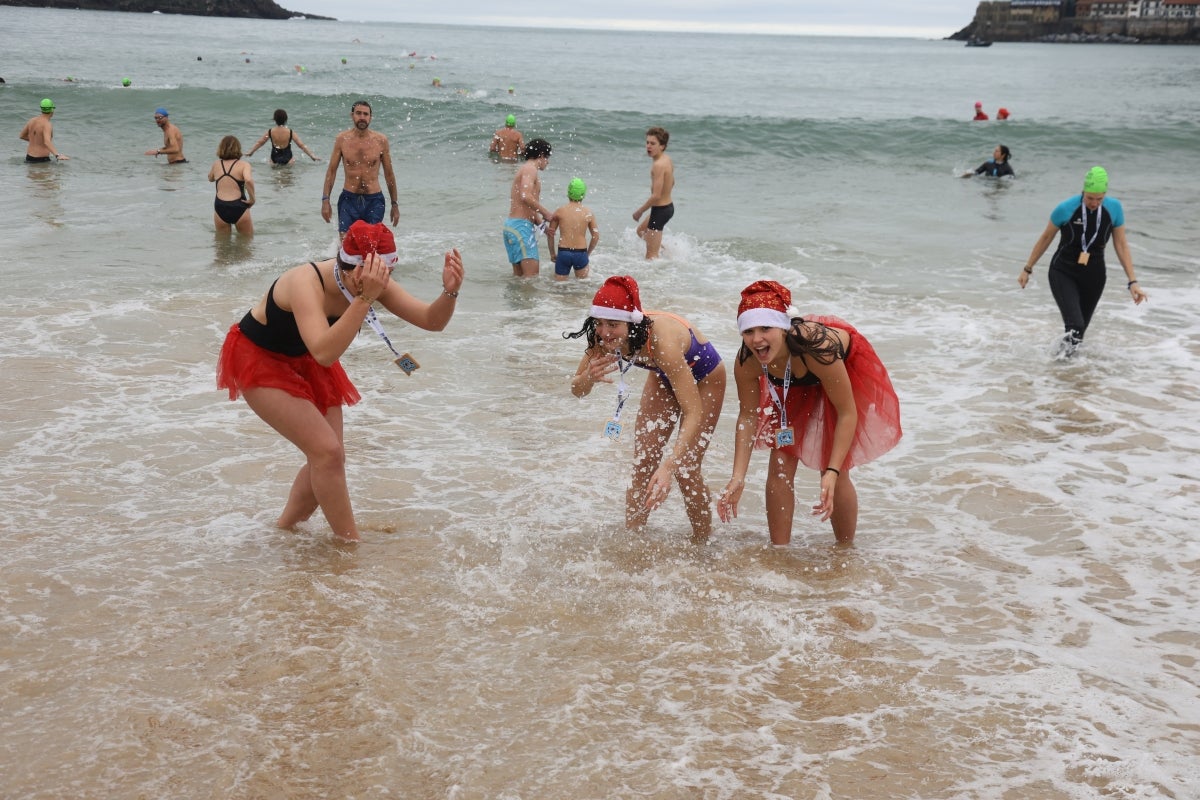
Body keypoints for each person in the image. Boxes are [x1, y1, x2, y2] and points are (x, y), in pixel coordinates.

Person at [216, 221, 465, 543]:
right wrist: (364, 300)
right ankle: (349, 543)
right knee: (327, 453)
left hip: (306, 359)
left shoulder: (373, 281)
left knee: (328, 456)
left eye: (383, 276)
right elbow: (324, 353)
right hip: (260, 358)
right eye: (370, 277)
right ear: (347, 269)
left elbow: (432, 321)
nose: (379, 283)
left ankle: (285, 530)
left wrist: (450, 291)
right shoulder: (306, 282)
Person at [717, 281, 902, 546]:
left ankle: (844, 552)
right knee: (780, 462)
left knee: (837, 469)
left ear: (782, 327)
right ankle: (779, 553)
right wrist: (738, 477)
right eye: (748, 331)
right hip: (793, 382)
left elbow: (847, 413)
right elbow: (747, 416)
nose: (756, 339)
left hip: (840, 369)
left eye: (765, 328)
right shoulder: (747, 361)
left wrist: (832, 471)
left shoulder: (818, 348)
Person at [566, 276, 725, 538]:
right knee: (643, 462)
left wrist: (668, 467)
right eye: (600, 323)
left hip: (704, 375)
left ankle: (702, 543)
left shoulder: (660, 342)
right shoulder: (601, 338)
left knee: (685, 468)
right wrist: (588, 378)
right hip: (664, 373)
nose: (606, 332)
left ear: (631, 323)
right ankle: (633, 542)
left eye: (613, 325)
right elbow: (577, 391)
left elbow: (693, 412)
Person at [1018, 166, 1148, 358]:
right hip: (1063, 271)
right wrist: (1027, 269)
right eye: (1090, 198)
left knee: (1079, 333)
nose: (1094, 203)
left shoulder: (1114, 209)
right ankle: (1058, 368)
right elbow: (1046, 238)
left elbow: (1121, 244)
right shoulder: (1065, 209)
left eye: (1099, 198)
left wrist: (1133, 281)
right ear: (1083, 192)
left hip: (1094, 275)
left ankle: (1062, 371)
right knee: (1075, 326)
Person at [321, 100, 400, 239]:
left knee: (370, 245)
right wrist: (325, 200)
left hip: (374, 200)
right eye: (358, 113)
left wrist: (394, 204)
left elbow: (389, 174)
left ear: (370, 117)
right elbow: (331, 171)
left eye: (366, 114)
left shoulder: (381, 140)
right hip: (348, 199)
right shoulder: (342, 139)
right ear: (352, 116)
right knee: (345, 245)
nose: (362, 117)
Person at [502, 138, 554, 277]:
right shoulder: (530, 169)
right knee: (531, 279)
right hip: (521, 227)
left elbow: (527, 208)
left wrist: (543, 228)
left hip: (512, 227)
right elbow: (525, 196)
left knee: (519, 280)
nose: (547, 162)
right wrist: (546, 213)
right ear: (541, 155)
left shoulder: (524, 169)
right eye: (547, 157)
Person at [631, 126, 675, 260]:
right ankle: (667, 254)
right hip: (667, 207)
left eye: (653, 143)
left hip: (660, 210)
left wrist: (639, 211)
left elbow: (656, 196)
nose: (648, 146)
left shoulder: (658, 165)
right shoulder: (667, 159)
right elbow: (673, 182)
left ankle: (658, 277)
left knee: (650, 256)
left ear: (662, 146)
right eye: (647, 142)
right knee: (641, 231)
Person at [547, 178, 599, 282]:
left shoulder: (559, 211)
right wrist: (587, 254)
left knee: (559, 287)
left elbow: (550, 234)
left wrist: (552, 253)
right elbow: (596, 236)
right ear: (583, 194)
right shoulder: (588, 213)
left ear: (568, 193)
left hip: (563, 252)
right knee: (582, 287)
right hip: (581, 253)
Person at [207, 135, 256, 236]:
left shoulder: (216, 164)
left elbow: (210, 178)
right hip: (239, 206)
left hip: (220, 206)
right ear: (238, 148)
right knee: (246, 245)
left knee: (222, 247)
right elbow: (248, 180)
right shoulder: (244, 165)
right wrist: (252, 199)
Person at [246, 109, 320, 165]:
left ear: (274, 119)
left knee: (275, 180)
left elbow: (260, 143)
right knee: (288, 181)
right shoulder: (290, 132)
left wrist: (251, 152)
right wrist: (312, 155)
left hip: (274, 158)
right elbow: (301, 145)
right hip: (288, 158)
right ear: (286, 119)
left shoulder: (270, 131)